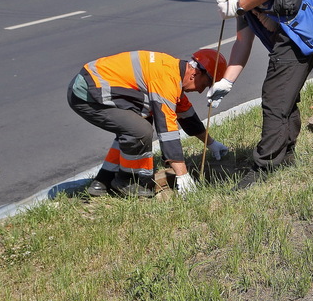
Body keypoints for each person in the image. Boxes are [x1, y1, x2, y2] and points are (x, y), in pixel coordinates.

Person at [189, 0, 313, 189]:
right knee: (284, 99)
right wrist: (226, 82)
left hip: (296, 34)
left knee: (274, 99)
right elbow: (242, 42)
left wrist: (239, 6)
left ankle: (263, 167)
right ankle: (285, 157)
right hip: (296, 36)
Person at [67, 48, 230, 198]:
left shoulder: (173, 73)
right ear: (194, 74)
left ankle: (102, 182)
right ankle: (126, 182)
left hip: (94, 85)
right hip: (88, 93)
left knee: (134, 125)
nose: (201, 91)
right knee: (139, 130)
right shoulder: (166, 80)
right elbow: (167, 131)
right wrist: (182, 175)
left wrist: (211, 143)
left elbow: (188, 117)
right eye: (205, 85)